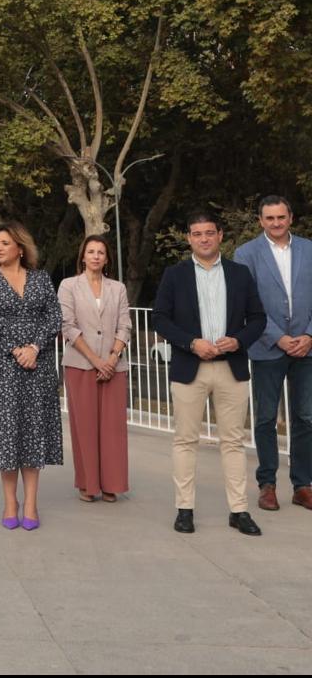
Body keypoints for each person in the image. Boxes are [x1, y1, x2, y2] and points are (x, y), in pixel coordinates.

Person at [154, 209, 266, 536]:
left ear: (220, 236)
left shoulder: (240, 274)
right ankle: (184, 509)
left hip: (231, 368)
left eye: (209, 233)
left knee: (233, 442)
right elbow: (160, 318)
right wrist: (191, 343)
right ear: (189, 238)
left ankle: (239, 511)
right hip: (191, 368)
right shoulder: (174, 275)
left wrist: (238, 341)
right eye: (197, 234)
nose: (204, 239)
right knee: (185, 440)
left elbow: (258, 318)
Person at [0, 221, 62, 531]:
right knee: (7, 434)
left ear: (20, 249)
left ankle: (32, 504)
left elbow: (53, 316)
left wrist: (34, 348)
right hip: (0, 368)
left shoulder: (41, 279)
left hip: (38, 366)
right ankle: (10, 502)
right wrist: (17, 350)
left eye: (4, 243)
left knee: (33, 433)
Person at [234, 195, 312, 512]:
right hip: (267, 346)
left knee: (306, 417)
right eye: (270, 218)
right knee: (265, 419)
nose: (276, 223)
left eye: (281, 217)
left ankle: (303, 484)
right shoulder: (246, 254)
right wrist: (278, 337)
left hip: (307, 347)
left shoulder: (309, 249)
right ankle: (267, 484)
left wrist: (308, 334)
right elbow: (247, 305)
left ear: (290, 218)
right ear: (260, 221)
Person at [58, 235, 131, 503]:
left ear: (107, 258)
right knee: (85, 427)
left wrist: (112, 357)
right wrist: (95, 360)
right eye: (91, 251)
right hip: (80, 364)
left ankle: (112, 484)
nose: (96, 256)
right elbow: (68, 325)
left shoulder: (118, 288)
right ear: (83, 256)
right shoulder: (68, 286)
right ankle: (89, 484)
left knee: (113, 429)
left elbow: (125, 324)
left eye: (101, 252)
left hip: (114, 366)